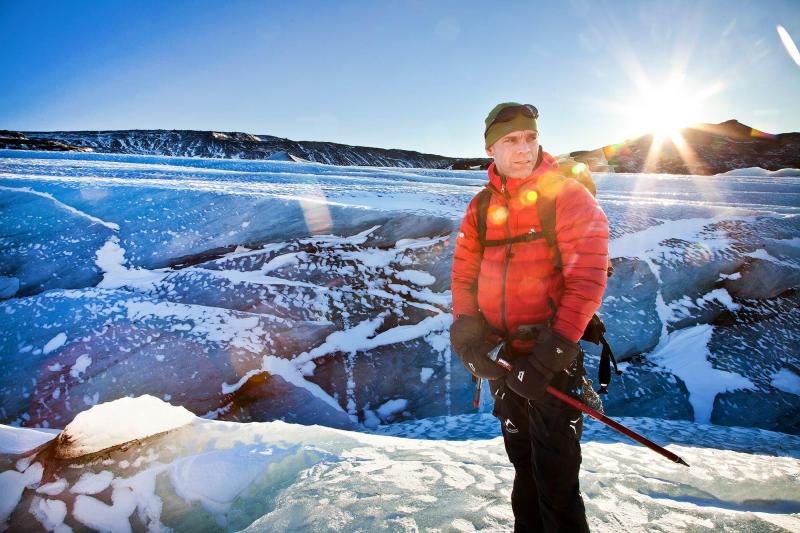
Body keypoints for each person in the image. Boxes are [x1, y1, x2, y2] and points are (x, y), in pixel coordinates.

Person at [450, 102, 609, 532]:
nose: (524, 149)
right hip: (505, 360)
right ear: (491, 149)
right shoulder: (480, 207)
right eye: (511, 141)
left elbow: (588, 279)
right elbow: (464, 272)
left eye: (530, 138)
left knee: (556, 480)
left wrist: (547, 358)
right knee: (523, 468)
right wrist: (467, 332)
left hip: (550, 360)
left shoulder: (566, 196)